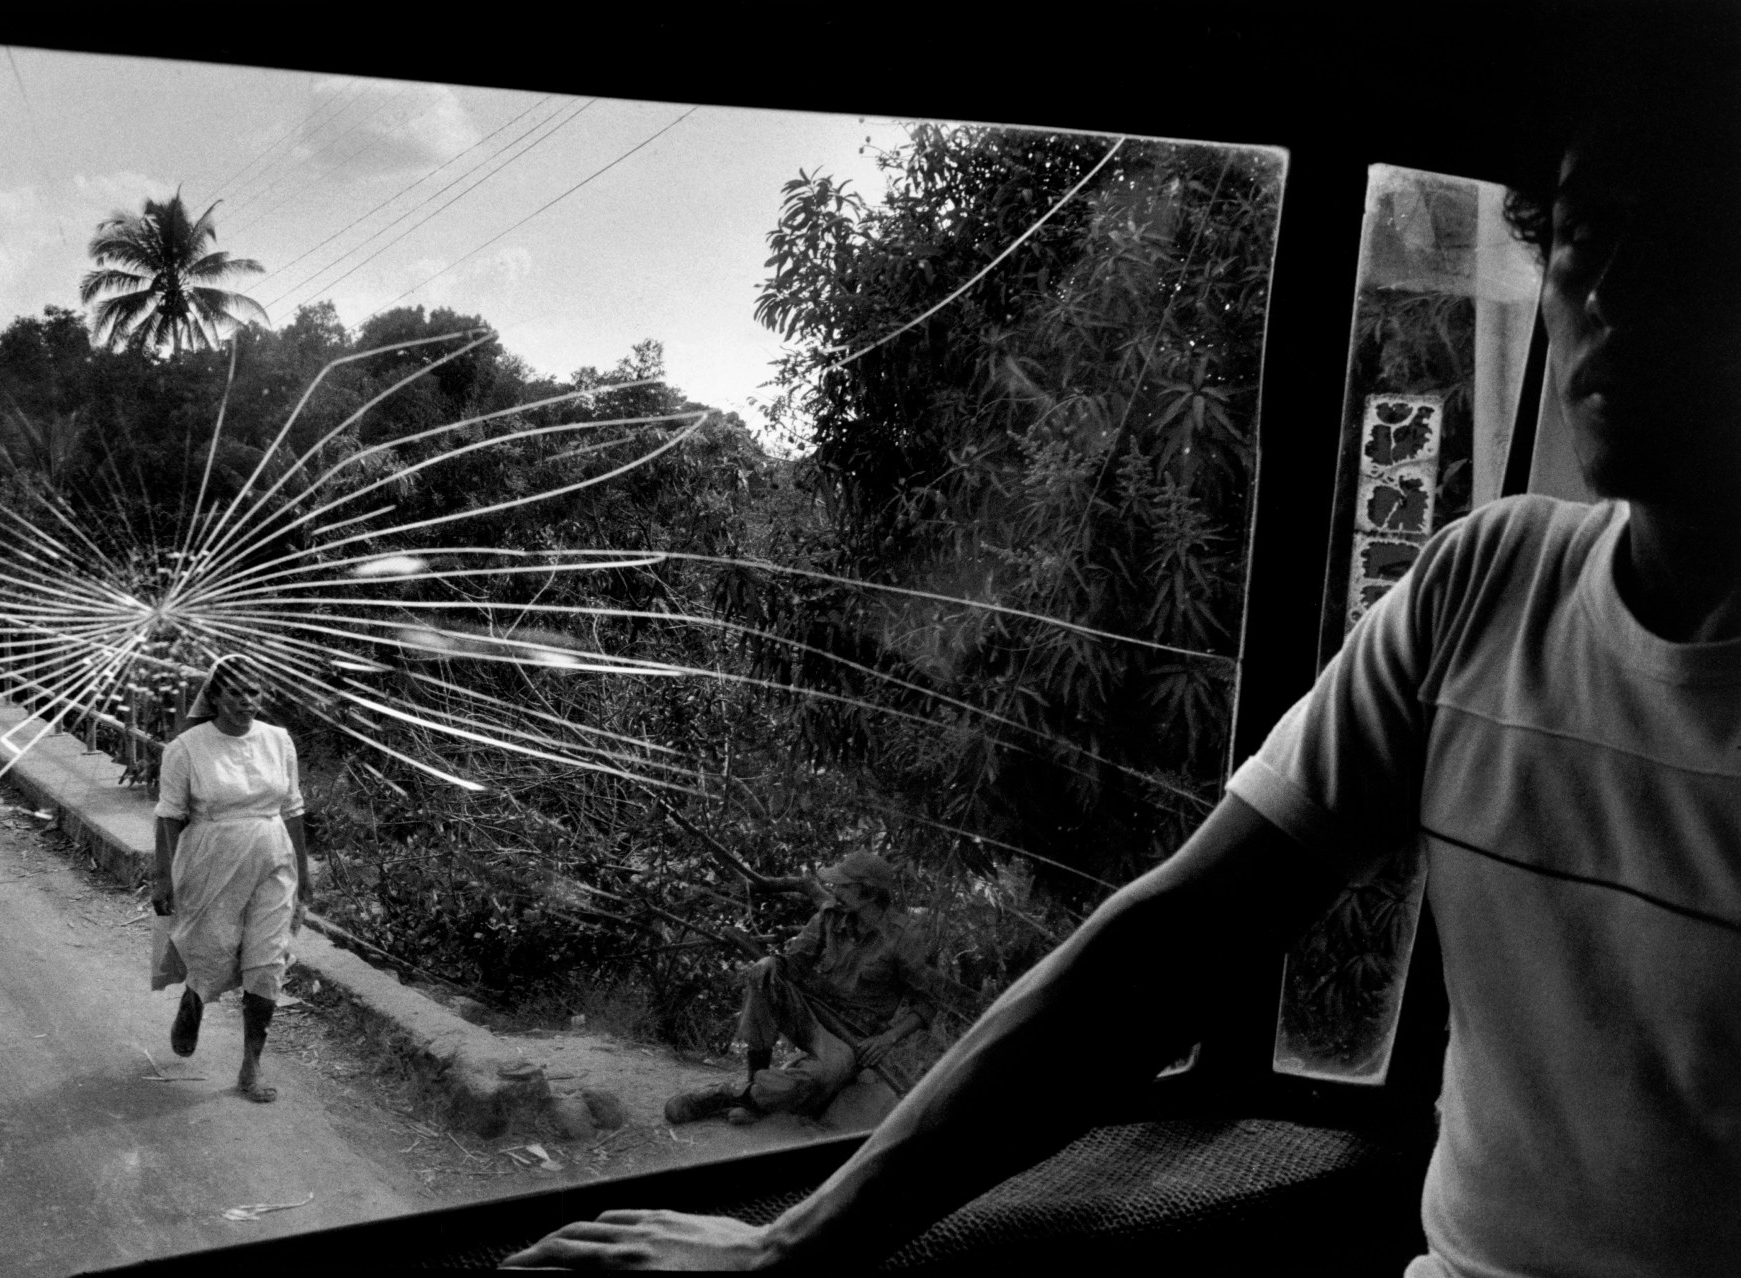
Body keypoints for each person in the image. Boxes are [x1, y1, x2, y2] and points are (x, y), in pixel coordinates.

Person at [505, 32, 1741, 1276]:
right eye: (1586, 231)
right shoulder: (1486, 584)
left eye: (1693, 234)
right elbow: (1159, 957)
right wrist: (796, 1245)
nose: (1617, 290)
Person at [662, 852, 937, 1126]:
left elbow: (926, 1004)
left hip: (850, 1037)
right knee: (763, 976)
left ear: (868, 892)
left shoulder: (904, 937)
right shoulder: (830, 915)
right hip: (810, 1012)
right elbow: (794, 964)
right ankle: (752, 1086)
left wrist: (887, 1038)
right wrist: (772, 961)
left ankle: (734, 1095)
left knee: (819, 1077)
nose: (835, 890)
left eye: (844, 885)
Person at [150, 654, 312, 1104]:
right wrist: (162, 878)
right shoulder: (186, 749)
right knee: (213, 951)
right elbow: (168, 816)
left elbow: (293, 809)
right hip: (210, 860)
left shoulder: (278, 741)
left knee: (268, 958)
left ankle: (251, 1066)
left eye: (254, 692)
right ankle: (195, 1000)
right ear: (215, 697)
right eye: (237, 693)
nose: (247, 701)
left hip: (272, 855)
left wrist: (304, 872)